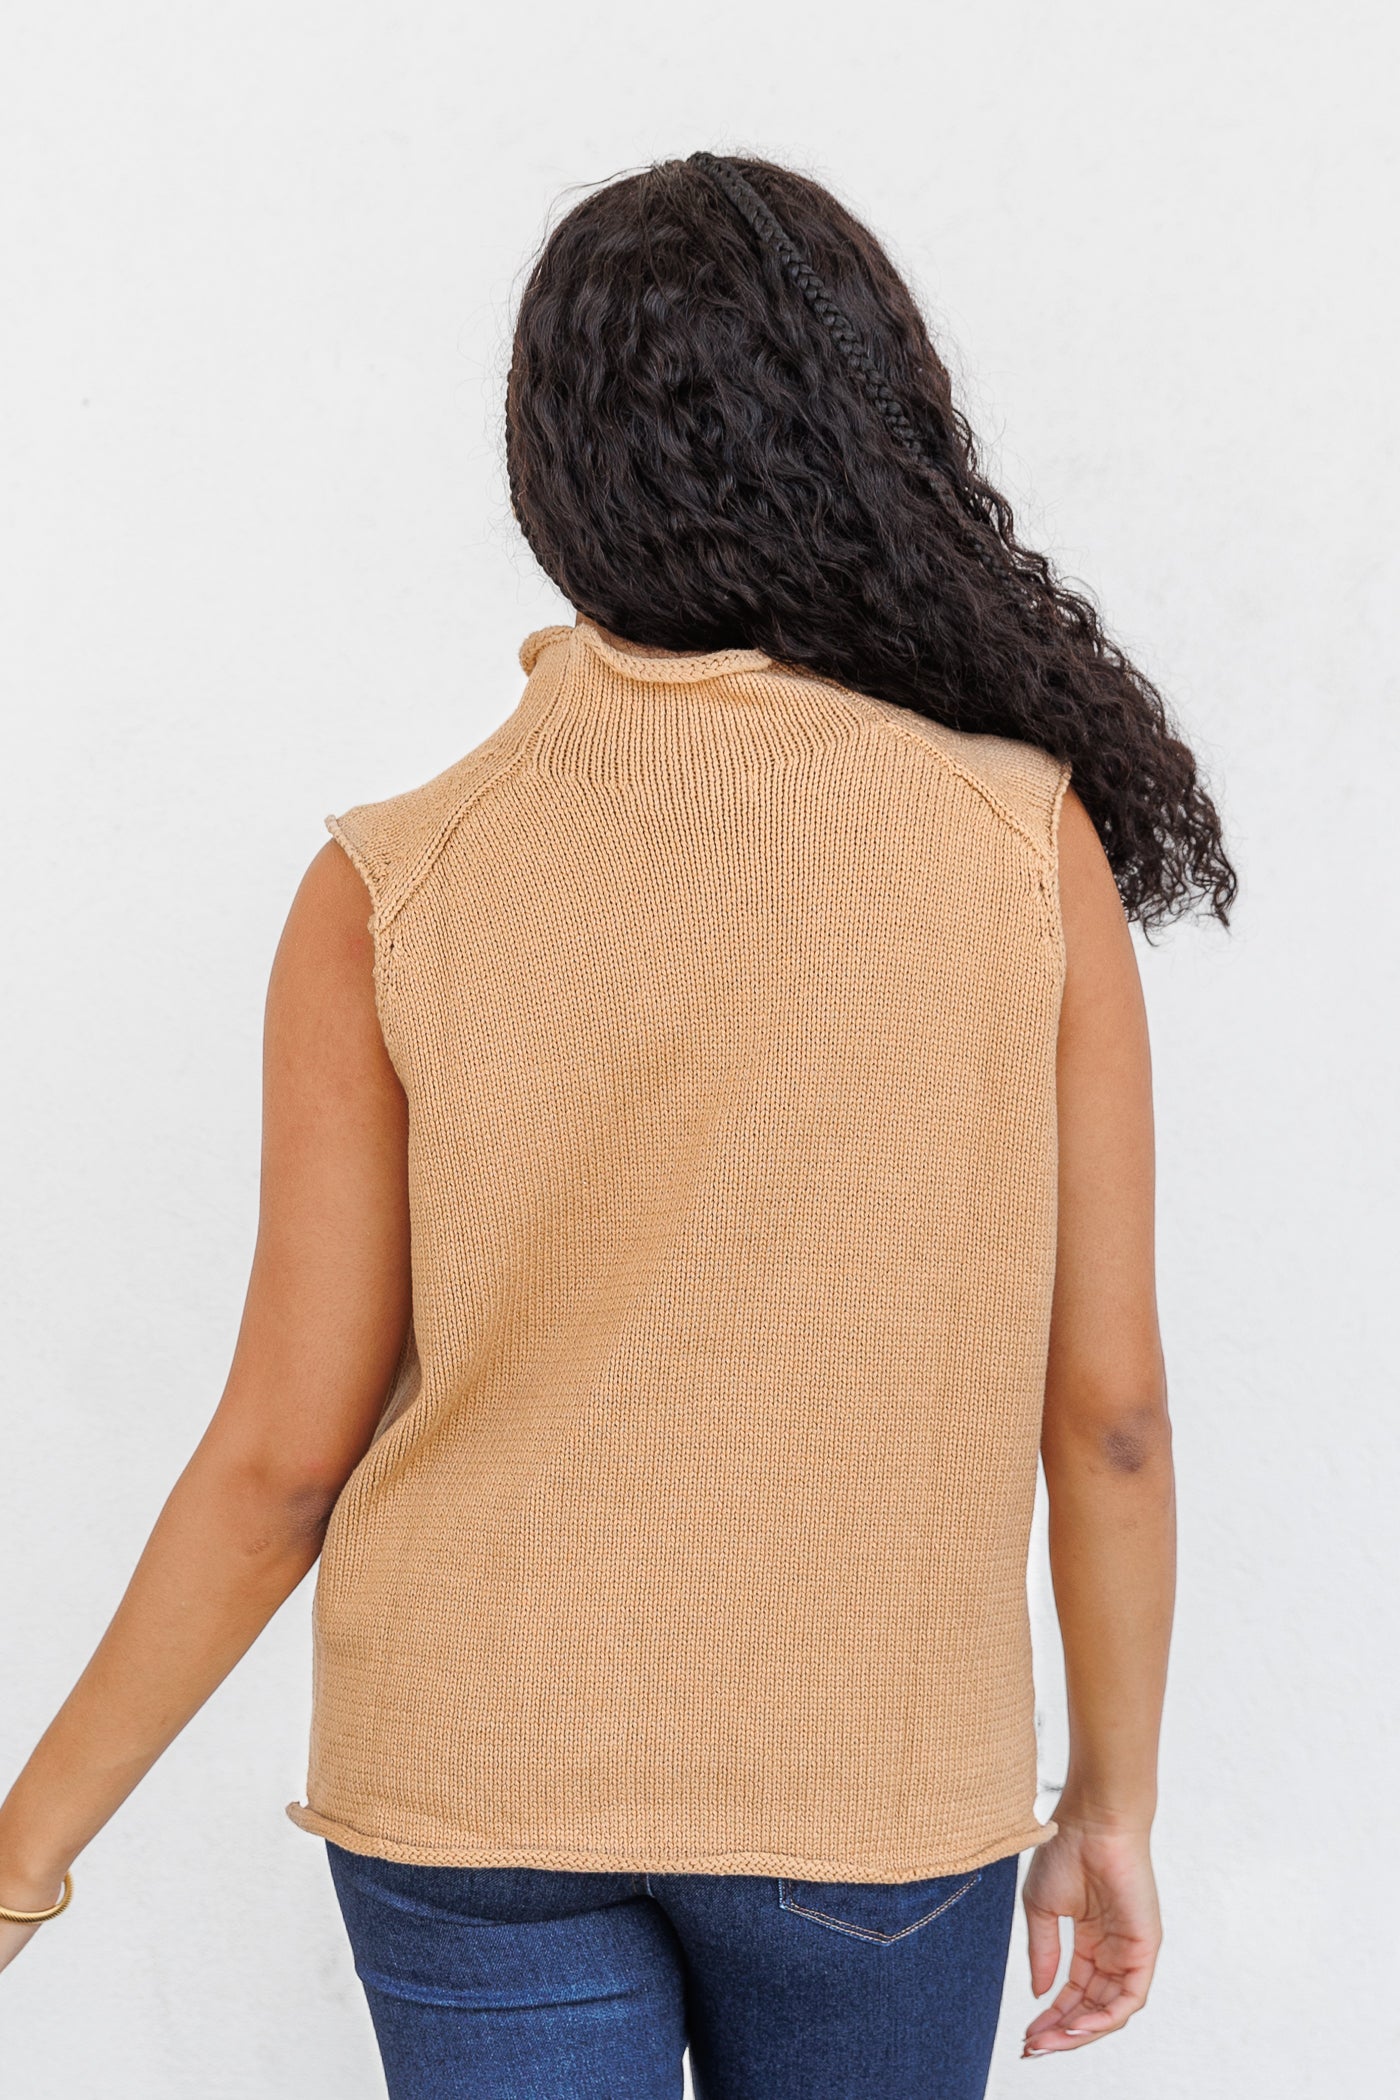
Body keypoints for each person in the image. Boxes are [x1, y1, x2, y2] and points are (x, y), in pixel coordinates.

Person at [0, 152, 1232, 2098]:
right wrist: (1111, 1802)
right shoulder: (1016, 845)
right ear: (875, 436)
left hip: (471, 1783)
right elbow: (1113, 1416)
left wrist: (22, 1858)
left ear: (547, 471)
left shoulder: (392, 885)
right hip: (868, 1792)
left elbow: (278, 1466)